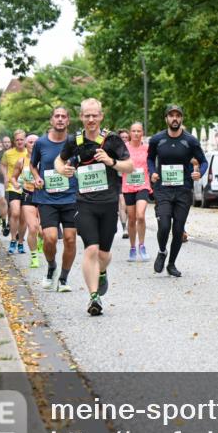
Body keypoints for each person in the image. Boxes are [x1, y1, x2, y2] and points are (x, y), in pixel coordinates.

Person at [55, 98, 133, 316]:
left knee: (104, 254)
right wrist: (62, 170)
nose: (91, 119)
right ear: (81, 117)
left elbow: (130, 166)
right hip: (84, 203)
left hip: (108, 203)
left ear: (101, 116)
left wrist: (111, 161)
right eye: (87, 115)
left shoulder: (112, 140)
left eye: (94, 115)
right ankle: (94, 297)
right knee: (91, 249)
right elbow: (59, 161)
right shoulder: (75, 141)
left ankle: (102, 271)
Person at [147, 105, 207, 277]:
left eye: (178, 116)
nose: (175, 118)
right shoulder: (157, 139)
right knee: (164, 225)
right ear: (166, 118)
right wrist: (152, 172)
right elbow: (150, 159)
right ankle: (162, 251)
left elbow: (203, 161)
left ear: (181, 118)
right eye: (171, 115)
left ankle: (171, 264)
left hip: (183, 190)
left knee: (178, 229)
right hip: (163, 189)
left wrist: (200, 173)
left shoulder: (190, 141)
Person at [31, 106, 79, 292]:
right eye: (57, 116)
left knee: (70, 239)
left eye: (63, 116)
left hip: (71, 197)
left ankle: (64, 279)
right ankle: (51, 267)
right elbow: (33, 165)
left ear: (68, 120)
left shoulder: (75, 142)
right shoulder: (41, 143)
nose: (60, 119)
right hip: (47, 198)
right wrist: (37, 177)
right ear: (51, 120)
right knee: (50, 238)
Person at [122, 122, 151, 261]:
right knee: (132, 219)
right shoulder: (124, 148)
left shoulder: (147, 148)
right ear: (130, 133)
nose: (136, 134)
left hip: (143, 185)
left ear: (142, 133)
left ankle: (142, 245)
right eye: (133, 131)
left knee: (140, 215)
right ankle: (133, 247)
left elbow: (152, 163)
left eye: (139, 131)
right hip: (128, 186)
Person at [12, 134, 42, 268]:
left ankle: (41, 239)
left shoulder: (45, 159)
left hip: (43, 196)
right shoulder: (21, 161)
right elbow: (13, 177)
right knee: (33, 227)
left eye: (36, 142)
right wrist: (15, 184)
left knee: (43, 231)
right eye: (30, 142)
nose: (33, 144)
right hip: (27, 195)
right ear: (25, 144)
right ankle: (34, 256)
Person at [1, 131, 29, 254]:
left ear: (25, 140)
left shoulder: (30, 152)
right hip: (13, 186)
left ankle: (21, 242)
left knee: (23, 217)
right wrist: (5, 176)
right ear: (14, 141)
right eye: (17, 140)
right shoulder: (8, 153)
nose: (19, 142)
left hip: (27, 187)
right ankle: (13, 240)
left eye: (21, 139)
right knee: (15, 212)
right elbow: (2, 165)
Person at [117, 128, 131, 239]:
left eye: (126, 137)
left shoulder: (132, 149)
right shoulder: (114, 150)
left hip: (131, 180)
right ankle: (125, 229)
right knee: (122, 204)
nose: (124, 139)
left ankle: (131, 225)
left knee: (129, 207)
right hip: (119, 180)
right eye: (122, 137)